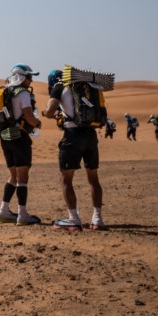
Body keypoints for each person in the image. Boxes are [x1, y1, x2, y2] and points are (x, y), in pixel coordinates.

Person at [43, 70, 105, 231]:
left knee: (66, 180)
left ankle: (73, 219)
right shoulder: (88, 87)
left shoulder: (59, 86)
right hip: (91, 136)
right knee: (93, 179)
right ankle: (97, 220)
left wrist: (45, 113)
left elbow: (50, 111)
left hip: (72, 137)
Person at [0, 64, 42, 226]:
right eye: (29, 77)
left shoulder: (4, 92)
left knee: (13, 176)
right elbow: (28, 116)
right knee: (22, 177)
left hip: (5, 137)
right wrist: (37, 123)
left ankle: (3, 210)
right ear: (22, 77)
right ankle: (22, 214)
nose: (31, 80)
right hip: (20, 138)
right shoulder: (23, 93)